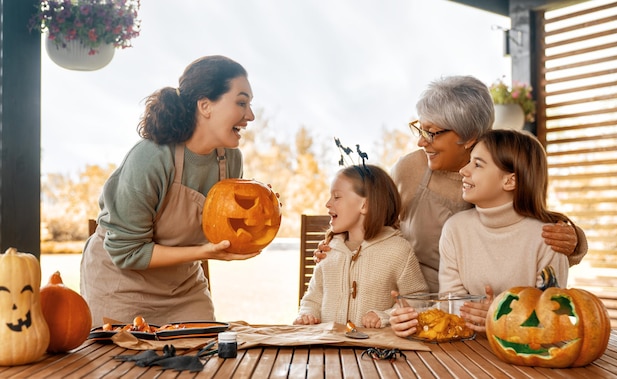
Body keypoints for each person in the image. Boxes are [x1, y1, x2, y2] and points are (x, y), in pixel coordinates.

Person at [312, 76, 587, 337]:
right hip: (408, 304)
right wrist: (338, 244)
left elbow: (526, 221)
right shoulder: (411, 169)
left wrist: (573, 240)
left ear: (469, 138)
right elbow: (371, 216)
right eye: (420, 129)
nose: (421, 141)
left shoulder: (496, 173)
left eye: (432, 133)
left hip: (476, 311)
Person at [80, 55, 259, 326]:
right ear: (205, 105)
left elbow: (224, 227)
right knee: (120, 367)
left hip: (182, 289)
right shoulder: (151, 159)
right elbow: (126, 252)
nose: (250, 116)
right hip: (120, 285)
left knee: (206, 360)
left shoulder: (230, 161)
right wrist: (204, 253)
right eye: (241, 102)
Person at [438, 129, 570, 332]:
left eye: (477, 164)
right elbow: (450, 301)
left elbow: (552, 313)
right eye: (469, 161)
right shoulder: (455, 229)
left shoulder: (548, 237)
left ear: (510, 181)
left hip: (525, 351)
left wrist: (501, 314)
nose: (463, 170)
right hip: (468, 346)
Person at [294, 163, 428, 328]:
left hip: (373, 350)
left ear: (364, 205)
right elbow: (312, 298)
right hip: (328, 349)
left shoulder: (398, 250)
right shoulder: (328, 250)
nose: (328, 203)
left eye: (337, 197)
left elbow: (418, 300)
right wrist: (307, 314)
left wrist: (385, 316)